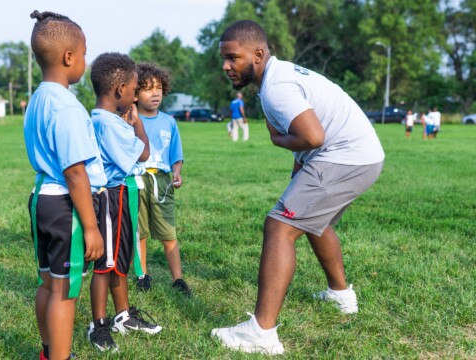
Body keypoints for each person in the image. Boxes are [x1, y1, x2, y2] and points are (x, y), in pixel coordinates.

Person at [212, 20, 385, 355]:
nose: (226, 66)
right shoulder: (280, 75)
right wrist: (298, 175)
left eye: (233, 58)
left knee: (279, 227)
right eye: (224, 58)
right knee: (312, 222)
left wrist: (279, 141)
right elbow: (311, 140)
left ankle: (261, 333)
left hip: (345, 156)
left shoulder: (276, 88)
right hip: (362, 155)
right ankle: (340, 294)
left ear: (258, 54)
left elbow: (313, 136)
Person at [23, 11, 105, 360]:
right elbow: (75, 173)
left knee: (47, 283)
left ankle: (47, 352)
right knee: (65, 292)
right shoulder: (67, 107)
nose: (85, 61)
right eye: (84, 53)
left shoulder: (37, 100)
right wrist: (90, 227)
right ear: (69, 57)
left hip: (41, 198)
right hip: (66, 207)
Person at [87, 52, 162, 353]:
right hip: (110, 199)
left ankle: (123, 315)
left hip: (117, 197)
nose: (134, 97)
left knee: (119, 259)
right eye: (133, 90)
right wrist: (136, 122)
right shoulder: (111, 124)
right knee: (105, 265)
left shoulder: (99, 118)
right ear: (120, 90)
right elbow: (143, 153)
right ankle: (99, 325)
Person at [134, 63, 191, 296]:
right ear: (135, 94)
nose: (155, 93)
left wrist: (176, 171)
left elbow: (176, 154)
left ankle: (178, 278)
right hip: (136, 181)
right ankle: (142, 275)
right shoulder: (130, 119)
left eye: (158, 87)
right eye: (147, 89)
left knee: (168, 233)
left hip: (162, 182)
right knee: (140, 232)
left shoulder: (169, 121)